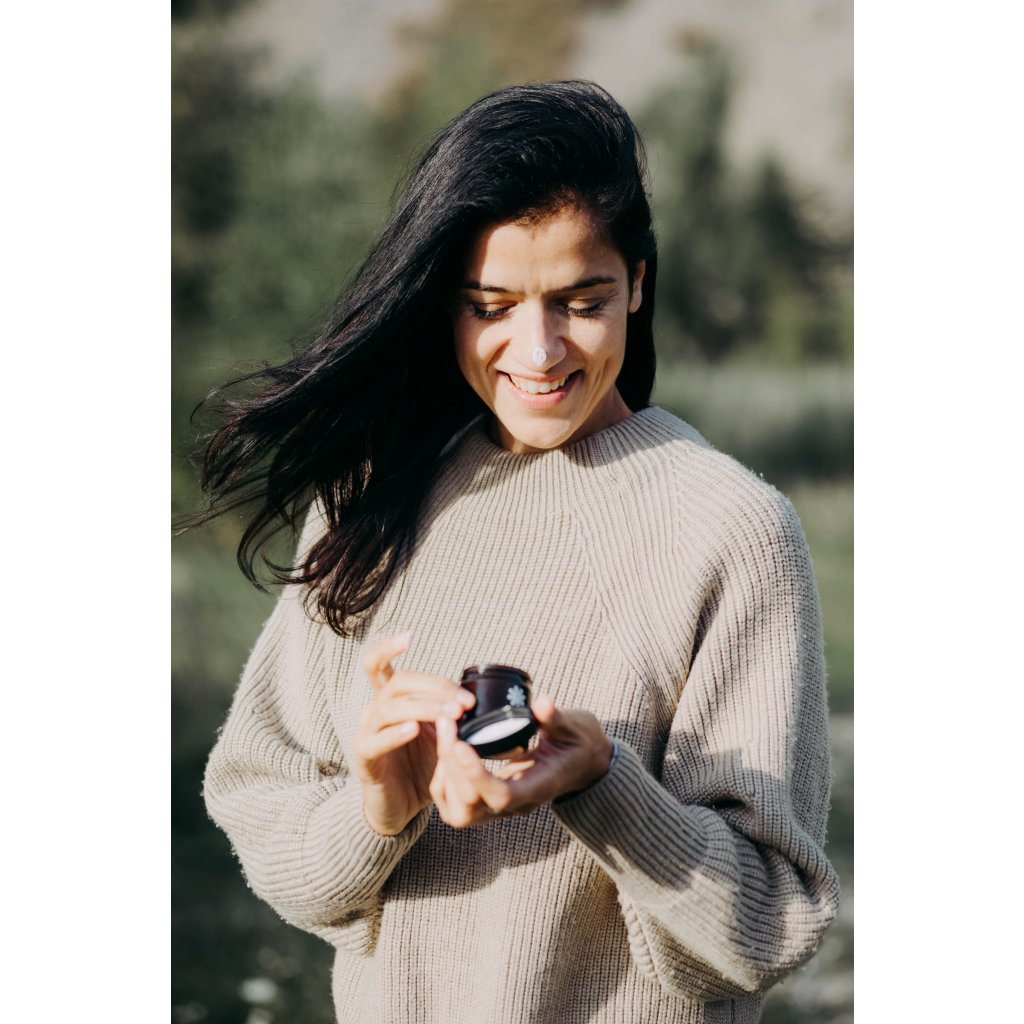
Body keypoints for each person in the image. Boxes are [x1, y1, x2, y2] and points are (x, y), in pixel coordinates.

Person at [198, 80, 839, 1024]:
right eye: (490, 305)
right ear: (444, 304)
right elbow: (264, 814)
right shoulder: (370, 500)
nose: (537, 352)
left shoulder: (732, 529)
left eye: (581, 301)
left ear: (638, 284)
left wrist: (601, 784)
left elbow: (766, 929)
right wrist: (379, 811)